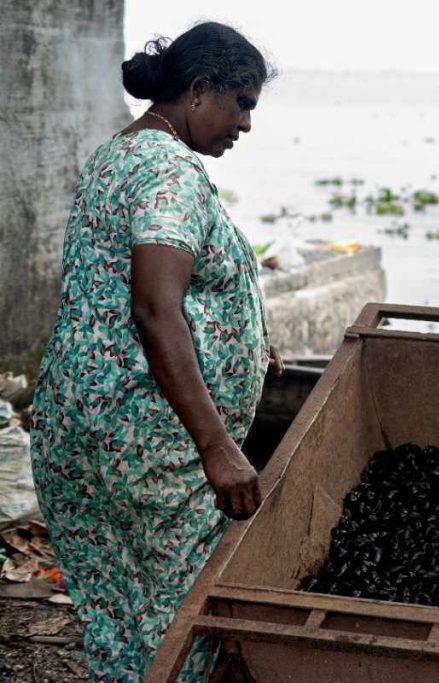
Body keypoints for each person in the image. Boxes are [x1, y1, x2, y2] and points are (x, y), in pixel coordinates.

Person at [30, 22, 282, 681]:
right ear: (199, 91)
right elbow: (153, 307)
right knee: (183, 614)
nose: (247, 123)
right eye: (244, 103)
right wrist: (217, 447)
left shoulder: (118, 154)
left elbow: (126, 287)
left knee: (118, 606)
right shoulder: (172, 174)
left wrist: (251, 342)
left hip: (77, 426)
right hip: (148, 446)